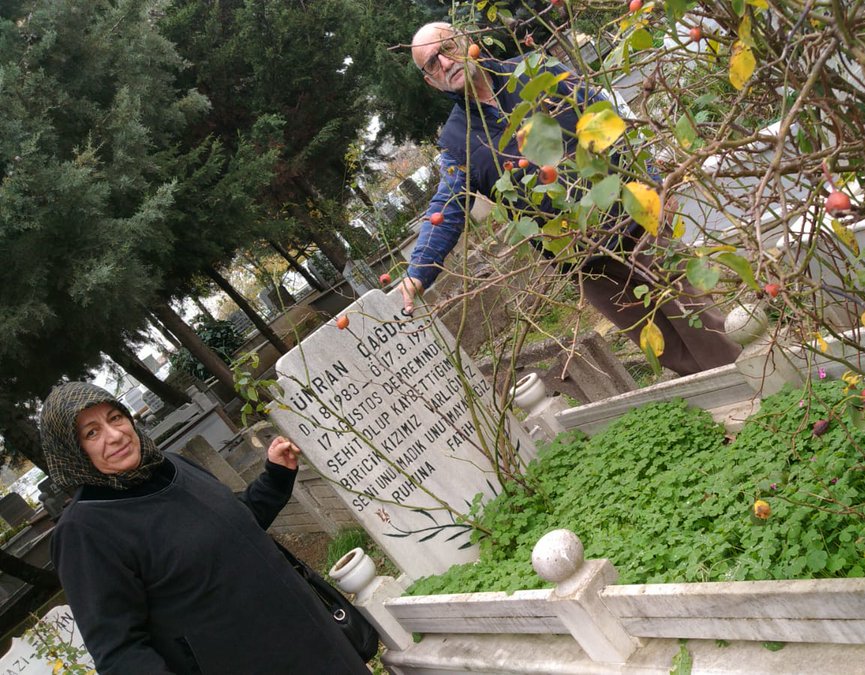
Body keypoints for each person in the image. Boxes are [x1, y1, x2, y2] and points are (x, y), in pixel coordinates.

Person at [400, 22, 742, 376]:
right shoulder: (458, 139)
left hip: (631, 218)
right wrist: (418, 272)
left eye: (448, 46)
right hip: (581, 258)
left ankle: (760, 390)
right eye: (431, 62)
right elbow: (448, 205)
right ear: (431, 81)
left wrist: (652, 180)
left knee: (696, 316)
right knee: (663, 346)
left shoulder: (534, 71)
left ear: (467, 41)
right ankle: (722, 405)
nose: (445, 61)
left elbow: (601, 116)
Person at [41, 381, 370, 674]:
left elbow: (236, 527)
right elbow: (120, 652)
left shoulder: (171, 466)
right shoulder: (85, 530)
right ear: (72, 451)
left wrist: (276, 477)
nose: (115, 435)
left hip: (314, 637)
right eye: (91, 433)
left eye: (115, 417)